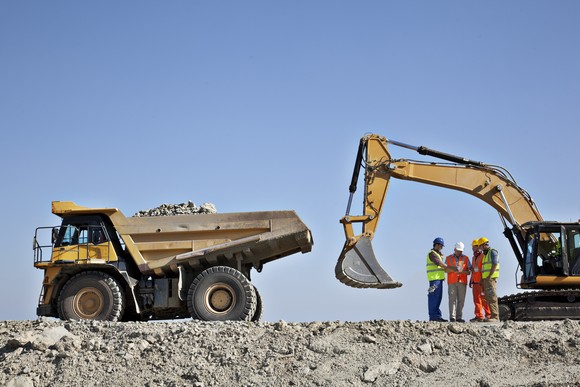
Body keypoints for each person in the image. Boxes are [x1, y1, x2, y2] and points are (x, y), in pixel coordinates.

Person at [426, 237, 456, 322]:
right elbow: (439, 264)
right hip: (434, 280)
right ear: (436, 245)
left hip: (438, 280)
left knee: (438, 298)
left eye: (442, 246)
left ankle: (436, 316)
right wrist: (452, 268)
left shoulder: (438, 254)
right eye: (440, 245)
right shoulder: (432, 254)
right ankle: (434, 316)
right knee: (434, 298)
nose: (441, 247)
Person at [445, 242, 471, 322]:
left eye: (461, 251)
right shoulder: (448, 258)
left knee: (461, 300)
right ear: (454, 249)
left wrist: (462, 272)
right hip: (452, 281)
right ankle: (452, 317)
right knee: (452, 299)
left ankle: (459, 317)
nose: (459, 252)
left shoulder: (466, 258)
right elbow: (445, 269)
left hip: (462, 282)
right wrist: (453, 269)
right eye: (458, 250)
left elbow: (469, 271)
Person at [469, 239, 491, 322]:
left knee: (484, 298)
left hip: (481, 282)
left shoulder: (483, 256)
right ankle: (479, 316)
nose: (473, 248)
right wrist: (471, 281)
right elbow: (474, 270)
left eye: (474, 246)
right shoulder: (473, 257)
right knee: (476, 300)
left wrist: (483, 280)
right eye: (473, 247)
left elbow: (483, 269)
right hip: (475, 282)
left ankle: (488, 315)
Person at [479, 237, 500, 322]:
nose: (479, 248)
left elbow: (494, 264)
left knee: (492, 297)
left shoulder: (492, 252)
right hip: (487, 279)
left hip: (490, 279)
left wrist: (489, 276)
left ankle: (495, 317)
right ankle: (493, 315)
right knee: (488, 297)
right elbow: (485, 269)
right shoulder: (485, 255)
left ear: (484, 245)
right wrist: (482, 279)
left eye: (480, 246)